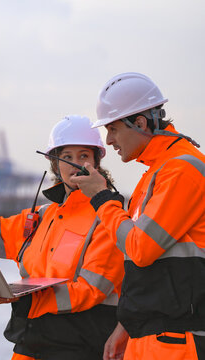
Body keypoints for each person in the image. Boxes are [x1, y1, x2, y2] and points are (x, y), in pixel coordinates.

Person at [0, 115, 125, 360]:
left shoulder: (109, 217)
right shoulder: (42, 216)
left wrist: (24, 299)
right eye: (67, 157)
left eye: (84, 156)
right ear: (55, 164)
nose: (75, 164)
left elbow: (93, 289)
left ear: (96, 162)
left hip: (83, 344)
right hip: (33, 340)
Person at [72, 72, 205, 360]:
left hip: (177, 341)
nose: (108, 141)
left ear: (141, 123)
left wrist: (102, 198)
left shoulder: (181, 170)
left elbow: (141, 249)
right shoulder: (158, 172)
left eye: (113, 130)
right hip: (154, 337)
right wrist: (128, 323)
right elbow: (144, 265)